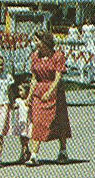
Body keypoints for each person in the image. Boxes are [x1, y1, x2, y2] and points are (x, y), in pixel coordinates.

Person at [26, 30, 71, 165]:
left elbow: (58, 77)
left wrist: (51, 91)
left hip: (55, 92)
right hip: (39, 92)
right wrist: (29, 95)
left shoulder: (57, 56)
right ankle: (34, 154)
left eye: (37, 40)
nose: (35, 44)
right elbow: (34, 78)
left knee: (59, 121)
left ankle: (63, 151)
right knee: (37, 121)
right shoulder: (35, 56)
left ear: (45, 41)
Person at [9, 81, 32, 164]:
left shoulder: (28, 101)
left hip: (28, 122)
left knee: (27, 139)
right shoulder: (18, 100)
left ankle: (25, 153)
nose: (19, 93)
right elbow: (13, 106)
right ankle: (25, 152)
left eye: (21, 90)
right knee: (22, 139)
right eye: (19, 90)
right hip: (20, 123)